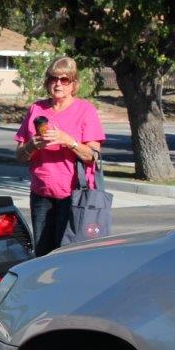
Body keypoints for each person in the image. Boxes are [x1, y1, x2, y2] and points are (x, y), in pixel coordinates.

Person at [15, 56, 105, 256]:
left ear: (74, 84)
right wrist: (31, 145)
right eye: (53, 79)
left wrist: (68, 141)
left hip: (74, 196)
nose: (58, 84)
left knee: (69, 254)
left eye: (64, 80)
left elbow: (93, 156)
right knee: (43, 254)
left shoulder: (85, 110)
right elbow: (20, 156)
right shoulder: (36, 109)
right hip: (41, 194)